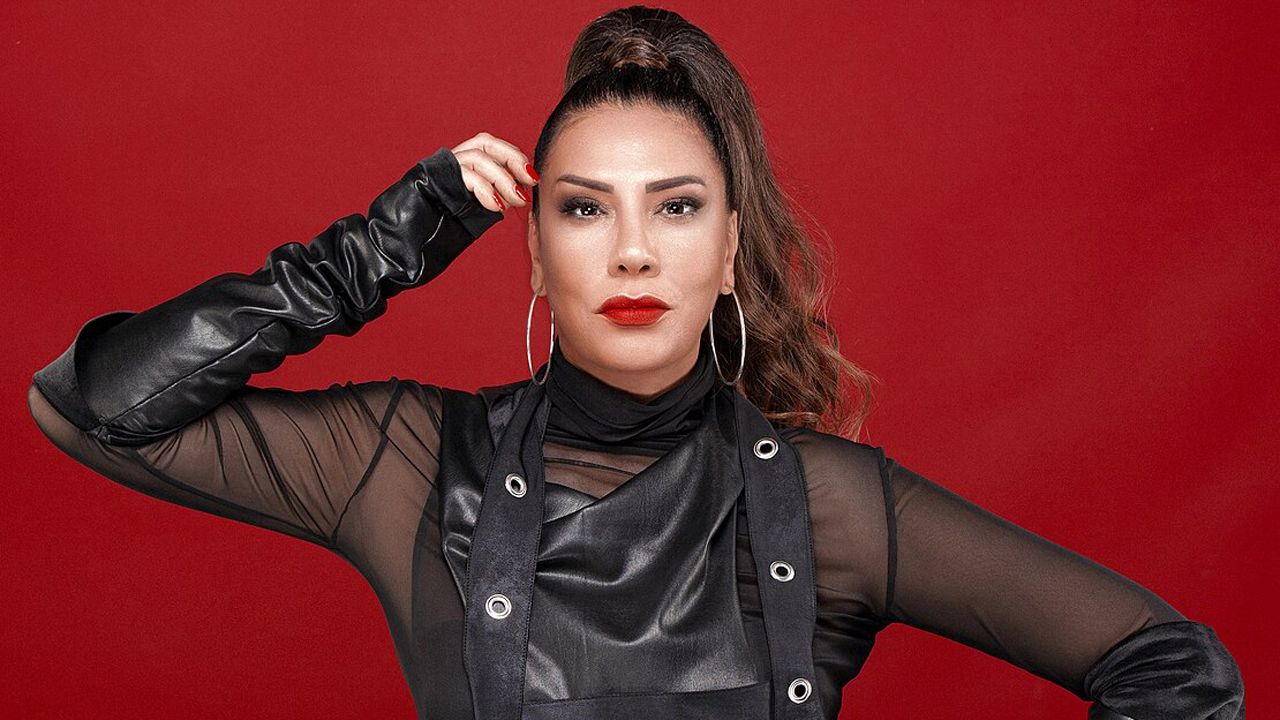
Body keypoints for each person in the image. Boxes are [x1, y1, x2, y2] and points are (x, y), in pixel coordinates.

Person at [26, 6, 1243, 719]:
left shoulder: (826, 507)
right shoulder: (408, 466)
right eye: (582, 208)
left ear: (727, 250)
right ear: (535, 250)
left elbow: (1169, 668)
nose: (630, 250)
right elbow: (94, 406)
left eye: (674, 207)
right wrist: (382, 246)